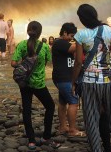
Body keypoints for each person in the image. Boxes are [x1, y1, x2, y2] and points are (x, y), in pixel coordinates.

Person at [71, 3, 111, 152]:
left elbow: (78, 62)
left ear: (82, 19)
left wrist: (73, 82)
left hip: (89, 82)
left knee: (91, 120)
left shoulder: (80, 35)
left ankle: (97, 149)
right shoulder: (108, 30)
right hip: (109, 80)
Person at [12, 20, 58, 150]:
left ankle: (31, 140)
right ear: (40, 33)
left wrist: (24, 63)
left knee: (27, 110)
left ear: (28, 31)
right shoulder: (44, 47)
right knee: (50, 106)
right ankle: (46, 137)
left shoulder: (21, 45)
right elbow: (49, 61)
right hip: (38, 83)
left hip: (24, 83)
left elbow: (13, 63)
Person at [51, 22, 83, 137]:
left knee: (63, 102)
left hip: (61, 78)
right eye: (71, 36)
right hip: (64, 78)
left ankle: (63, 127)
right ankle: (72, 130)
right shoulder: (60, 43)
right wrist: (84, 39)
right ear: (64, 33)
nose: (72, 38)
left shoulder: (62, 42)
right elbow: (74, 48)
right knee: (74, 102)